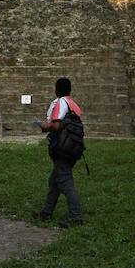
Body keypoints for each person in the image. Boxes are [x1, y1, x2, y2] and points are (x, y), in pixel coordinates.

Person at [37, 77, 84, 227]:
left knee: (66, 182)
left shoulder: (60, 103)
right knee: (54, 182)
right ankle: (46, 212)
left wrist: (45, 127)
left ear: (56, 90)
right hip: (73, 147)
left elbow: (56, 126)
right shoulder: (74, 105)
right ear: (70, 89)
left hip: (62, 148)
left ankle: (76, 217)